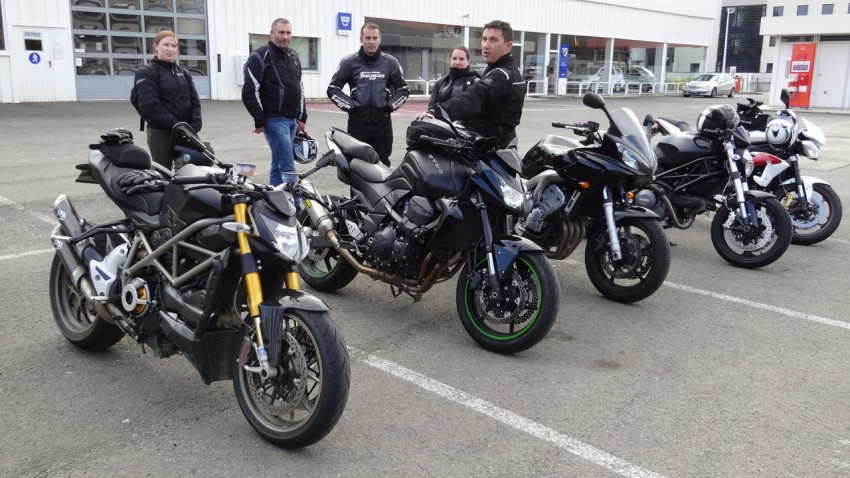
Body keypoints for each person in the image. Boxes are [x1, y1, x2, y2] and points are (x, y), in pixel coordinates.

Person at [424, 20, 525, 149]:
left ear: (508, 45)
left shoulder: (501, 74)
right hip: (498, 145)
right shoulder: (506, 70)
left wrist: (436, 112)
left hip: (491, 149)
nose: (486, 45)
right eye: (484, 39)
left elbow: (474, 98)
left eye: (493, 40)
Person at [327, 22, 409, 166]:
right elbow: (333, 88)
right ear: (361, 39)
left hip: (382, 125)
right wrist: (351, 107)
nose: (371, 42)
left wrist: (389, 106)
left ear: (380, 39)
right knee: (357, 164)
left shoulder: (390, 62)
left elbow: (403, 89)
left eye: (374, 38)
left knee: (382, 164)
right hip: (357, 124)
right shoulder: (349, 62)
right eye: (368, 38)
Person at [242, 18, 307, 187]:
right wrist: (260, 119)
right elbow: (249, 92)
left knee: (278, 163)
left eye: (288, 33)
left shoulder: (293, 56)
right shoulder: (259, 56)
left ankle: (274, 200)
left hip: (292, 120)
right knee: (287, 166)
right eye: (281, 32)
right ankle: (296, 206)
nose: (285, 37)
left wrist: (302, 116)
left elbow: (299, 87)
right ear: (271, 34)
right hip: (275, 121)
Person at [133, 30, 202, 170]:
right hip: (161, 132)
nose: (170, 49)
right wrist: (177, 126)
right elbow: (150, 106)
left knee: (189, 171)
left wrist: (194, 125)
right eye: (166, 45)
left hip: (185, 132)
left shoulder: (184, 72)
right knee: (163, 172)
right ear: (156, 46)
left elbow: (195, 101)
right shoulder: (146, 72)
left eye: (174, 46)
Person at [415, 45, 479, 121]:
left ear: (468, 62)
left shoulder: (475, 82)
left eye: (461, 59)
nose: (457, 62)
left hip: (466, 128)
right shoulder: (440, 82)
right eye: (454, 58)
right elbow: (432, 107)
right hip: (442, 126)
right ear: (450, 60)